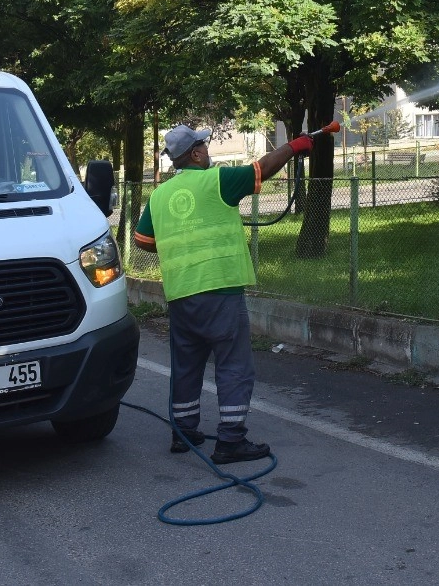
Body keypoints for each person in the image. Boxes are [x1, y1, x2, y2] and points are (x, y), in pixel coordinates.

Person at [134, 123, 313, 464]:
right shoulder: (217, 181)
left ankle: (183, 433)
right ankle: (230, 440)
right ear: (196, 154)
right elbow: (262, 169)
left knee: (186, 364)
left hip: (181, 293)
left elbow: (144, 242)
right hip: (219, 290)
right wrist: (293, 147)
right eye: (205, 145)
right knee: (233, 364)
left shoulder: (159, 195)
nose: (209, 151)